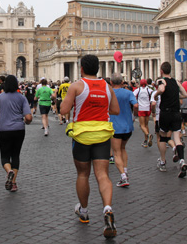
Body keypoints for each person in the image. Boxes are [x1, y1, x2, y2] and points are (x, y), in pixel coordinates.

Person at [60, 54, 119, 238]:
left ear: (82, 69)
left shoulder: (76, 86)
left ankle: (84, 211)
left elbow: (64, 110)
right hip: (102, 134)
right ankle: (107, 209)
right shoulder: (107, 87)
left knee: (83, 174)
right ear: (98, 69)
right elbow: (115, 110)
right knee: (103, 175)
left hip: (82, 135)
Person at [0, 75, 33, 192]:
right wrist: (27, 121)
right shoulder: (21, 97)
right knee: (15, 155)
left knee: (4, 155)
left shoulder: (1, 97)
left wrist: (0, 118)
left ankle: (9, 171)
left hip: (4, 130)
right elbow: (28, 117)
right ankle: (13, 182)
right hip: (19, 129)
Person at [154, 62, 187, 178]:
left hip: (165, 113)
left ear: (161, 71)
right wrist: (175, 96)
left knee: (163, 137)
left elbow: (162, 89)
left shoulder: (161, 80)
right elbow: (185, 94)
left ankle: (163, 161)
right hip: (176, 113)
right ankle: (182, 160)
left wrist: (156, 95)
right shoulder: (176, 81)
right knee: (177, 138)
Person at [110, 73, 138, 188]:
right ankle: (125, 170)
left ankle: (123, 176)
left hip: (115, 127)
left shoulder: (109, 94)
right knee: (123, 148)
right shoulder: (128, 92)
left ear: (111, 82)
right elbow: (135, 106)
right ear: (122, 82)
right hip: (128, 126)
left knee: (116, 153)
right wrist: (134, 116)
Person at [133, 79, 153, 148]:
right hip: (148, 108)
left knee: (142, 125)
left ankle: (148, 135)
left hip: (141, 108)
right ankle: (146, 140)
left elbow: (133, 96)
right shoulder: (149, 90)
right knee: (146, 125)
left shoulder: (138, 90)